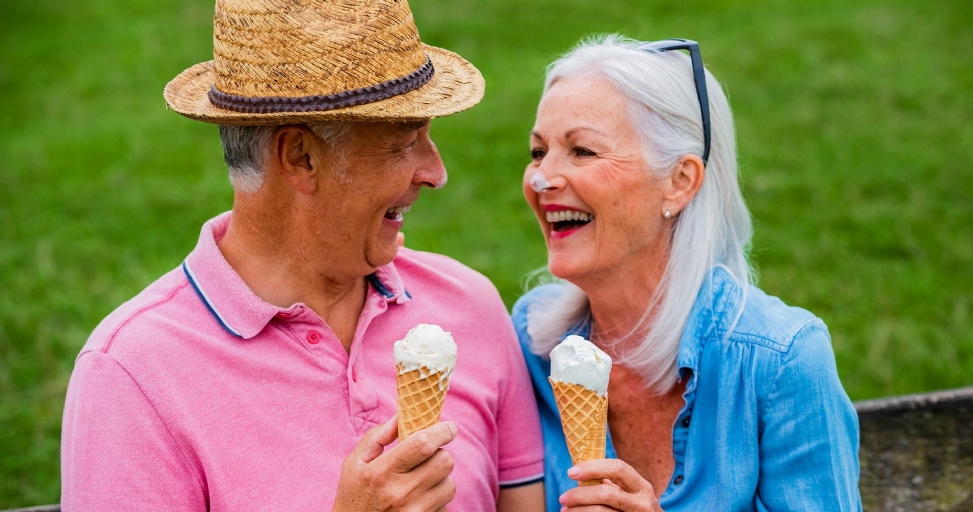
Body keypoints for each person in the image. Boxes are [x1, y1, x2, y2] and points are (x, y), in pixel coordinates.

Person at [59, 1, 545, 510]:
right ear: (300, 157)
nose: (435, 172)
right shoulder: (132, 375)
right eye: (404, 144)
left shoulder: (470, 307)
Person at [513, 35, 862, 511]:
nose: (540, 177)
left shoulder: (781, 362)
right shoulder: (532, 342)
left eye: (583, 151)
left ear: (680, 182)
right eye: (538, 152)